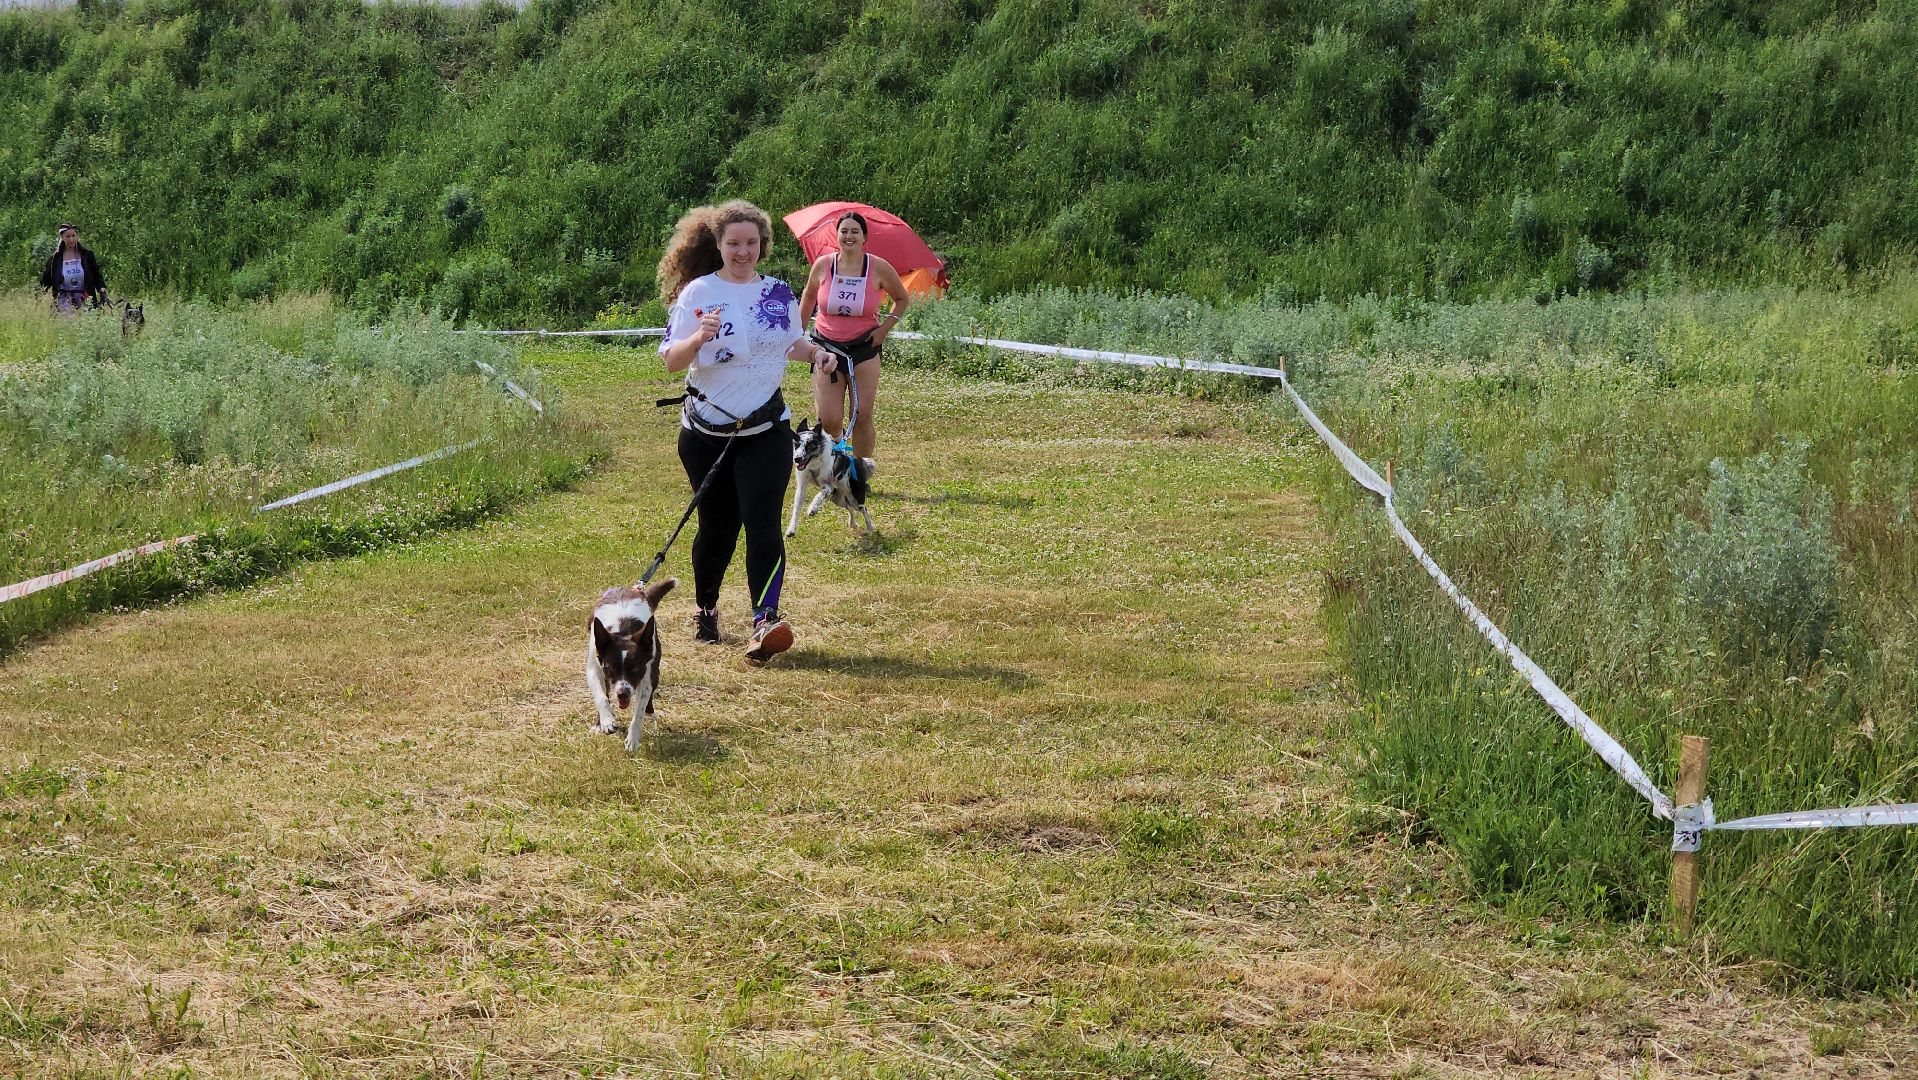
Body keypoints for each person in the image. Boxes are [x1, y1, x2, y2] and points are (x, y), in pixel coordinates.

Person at [657, 200, 840, 665]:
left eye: (751, 243)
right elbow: (672, 360)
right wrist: (699, 337)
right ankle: (706, 608)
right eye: (734, 243)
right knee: (718, 528)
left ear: (763, 246)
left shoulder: (777, 291)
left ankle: (765, 620)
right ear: (718, 244)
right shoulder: (698, 292)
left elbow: (791, 343)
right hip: (706, 435)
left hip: (765, 428)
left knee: (763, 522)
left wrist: (817, 354)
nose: (743, 252)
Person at [798, 211, 910, 462]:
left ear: (864, 237)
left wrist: (884, 330)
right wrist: (796, 335)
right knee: (828, 419)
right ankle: (838, 454)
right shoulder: (824, 265)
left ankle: (860, 471)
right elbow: (809, 296)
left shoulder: (878, 267)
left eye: (855, 231)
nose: (849, 236)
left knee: (861, 416)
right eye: (844, 231)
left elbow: (902, 299)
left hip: (864, 348)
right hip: (827, 347)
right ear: (837, 235)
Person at [39, 224, 107, 314]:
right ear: (62, 237)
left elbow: (96, 274)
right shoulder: (55, 258)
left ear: (77, 236)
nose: (71, 239)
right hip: (64, 298)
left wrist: (101, 288)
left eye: (73, 236)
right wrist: (40, 295)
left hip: (85, 296)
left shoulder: (87, 255)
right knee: (67, 320)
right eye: (67, 236)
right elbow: (47, 279)